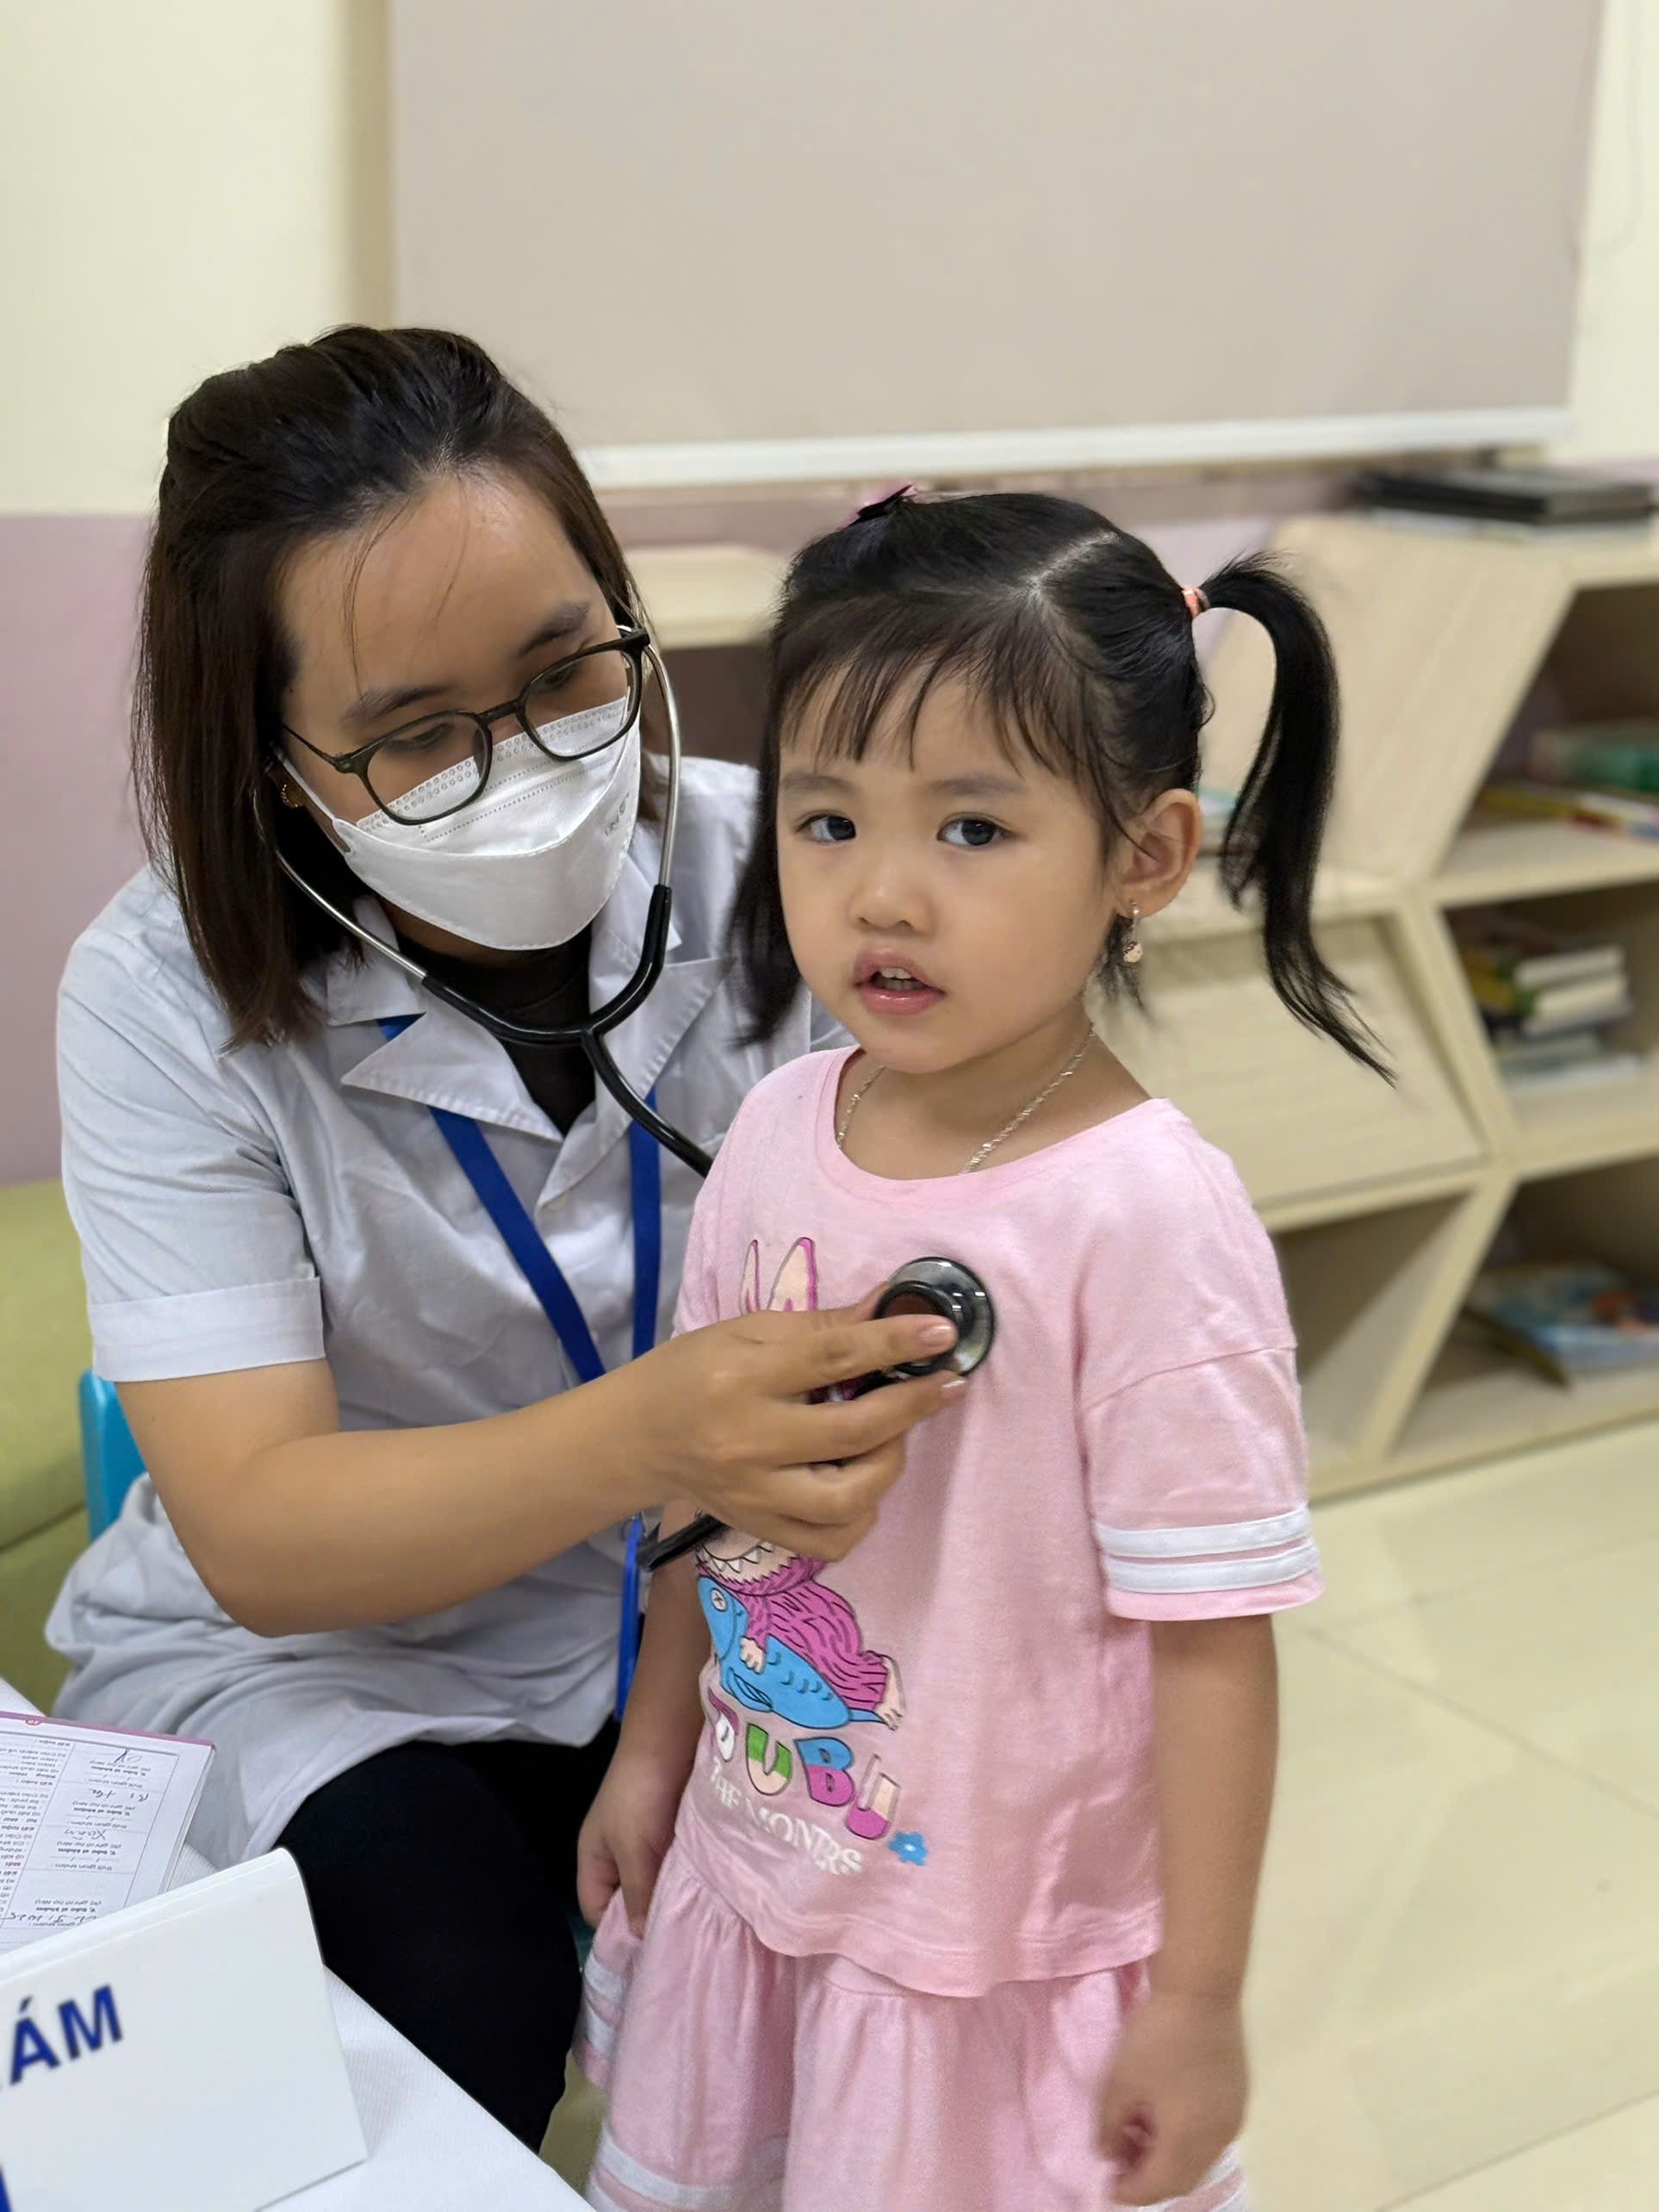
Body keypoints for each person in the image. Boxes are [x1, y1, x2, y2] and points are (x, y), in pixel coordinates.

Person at [46, 331, 963, 2151]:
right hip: (341, 1659)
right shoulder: (157, 999)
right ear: (273, 761)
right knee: (459, 1985)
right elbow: (265, 1535)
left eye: (564, 675)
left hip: (727, 1606)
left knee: (910, 1941)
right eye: (414, 736)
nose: (527, 765)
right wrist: (660, 1432)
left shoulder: (797, 876)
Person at [573, 489, 1386, 2211]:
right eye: (826, 819)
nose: (882, 894)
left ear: (1144, 857)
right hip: (762, 1843)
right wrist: (651, 1753)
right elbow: (703, 1492)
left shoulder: (1147, 1218)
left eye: (971, 828)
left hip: (989, 1936)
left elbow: (1213, 1649)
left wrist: (1198, 2000)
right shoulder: (778, 1126)